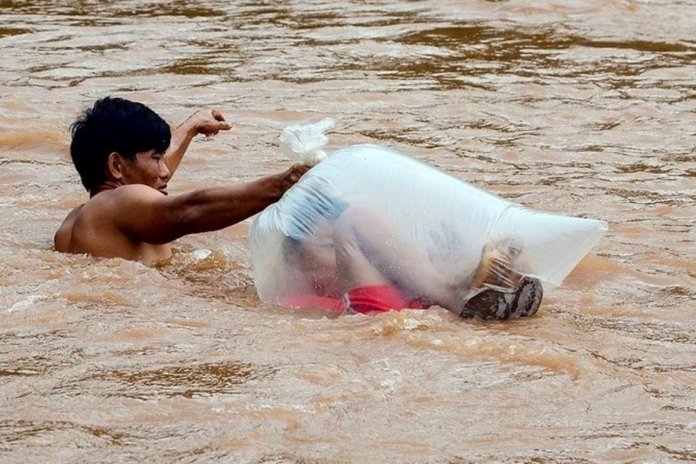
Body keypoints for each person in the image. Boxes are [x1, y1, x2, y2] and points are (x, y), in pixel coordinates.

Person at [54, 97, 309, 264]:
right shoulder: (119, 202)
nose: (165, 172)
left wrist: (192, 126)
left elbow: (148, 182)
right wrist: (286, 182)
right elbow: (189, 211)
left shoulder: (78, 219)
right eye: (156, 158)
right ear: (117, 166)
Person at [280, 197, 544, 321]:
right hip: (372, 315)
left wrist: (443, 262)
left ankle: (470, 288)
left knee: (515, 266)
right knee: (355, 219)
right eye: (331, 245)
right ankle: (456, 293)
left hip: (418, 315)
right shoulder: (298, 303)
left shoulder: (391, 275)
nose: (342, 254)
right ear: (302, 266)